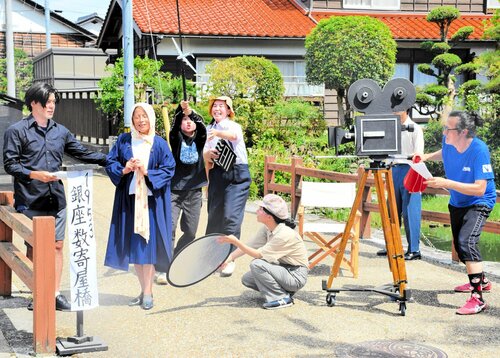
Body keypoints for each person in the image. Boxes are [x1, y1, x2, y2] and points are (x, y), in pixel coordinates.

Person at [3, 82, 107, 311]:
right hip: (30, 199)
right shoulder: (17, 131)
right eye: (47, 102)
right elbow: (10, 164)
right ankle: (37, 293)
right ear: (34, 103)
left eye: (53, 102)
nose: (51, 106)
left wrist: (109, 160)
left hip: (56, 199)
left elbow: (80, 152)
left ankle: (54, 293)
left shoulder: (60, 131)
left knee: (57, 246)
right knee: (35, 249)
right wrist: (34, 174)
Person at [418, 110, 495, 315]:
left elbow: (479, 188)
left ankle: (477, 298)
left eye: (448, 129)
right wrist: (425, 157)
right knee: (460, 249)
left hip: (479, 201)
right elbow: (443, 153)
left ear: (463, 132)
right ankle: (482, 281)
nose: (444, 132)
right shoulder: (449, 143)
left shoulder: (479, 150)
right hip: (457, 201)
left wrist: (446, 183)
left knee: (467, 242)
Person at [104, 103, 176, 310]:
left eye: (144, 116)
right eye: (137, 116)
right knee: (135, 249)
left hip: (151, 203)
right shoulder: (124, 140)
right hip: (130, 201)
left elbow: (169, 169)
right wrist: (125, 168)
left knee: (149, 248)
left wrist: (146, 172)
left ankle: (148, 292)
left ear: (151, 119)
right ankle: (143, 288)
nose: (141, 120)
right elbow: (110, 163)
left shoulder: (159, 143)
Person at [218, 194, 309, 310]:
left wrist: (235, 242)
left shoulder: (284, 234)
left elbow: (258, 254)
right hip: (283, 270)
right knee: (248, 279)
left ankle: (281, 298)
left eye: (260, 209)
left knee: (257, 264)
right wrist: (227, 260)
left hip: (295, 275)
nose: (256, 211)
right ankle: (285, 291)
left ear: (269, 216)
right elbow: (249, 246)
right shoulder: (268, 228)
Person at [155, 100, 207, 285]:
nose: (187, 122)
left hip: (194, 191)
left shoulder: (200, 138)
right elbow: (176, 124)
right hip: (174, 191)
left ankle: (177, 256)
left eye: (190, 119)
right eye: (184, 119)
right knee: (169, 229)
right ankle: (163, 267)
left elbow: (202, 127)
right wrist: (181, 112)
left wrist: (191, 113)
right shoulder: (175, 137)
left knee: (191, 232)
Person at [203, 96, 251, 277]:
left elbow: (234, 136)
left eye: (221, 106)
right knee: (214, 215)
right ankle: (213, 258)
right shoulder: (209, 129)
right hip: (217, 174)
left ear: (228, 110)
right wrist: (209, 154)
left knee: (231, 216)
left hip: (236, 174)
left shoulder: (232, 125)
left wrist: (218, 134)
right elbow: (205, 155)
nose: (217, 109)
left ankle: (229, 259)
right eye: (214, 106)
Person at [377, 109, 424, 260]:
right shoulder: (391, 127)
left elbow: (419, 153)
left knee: (410, 210)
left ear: (405, 110)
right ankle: (391, 245)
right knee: (391, 210)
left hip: (410, 169)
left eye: (397, 110)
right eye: (392, 110)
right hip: (393, 169)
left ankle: (414, 249)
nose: (394, 112)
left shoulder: (415, 128)